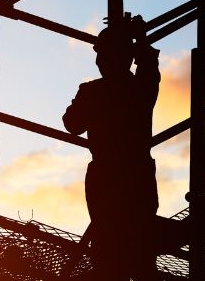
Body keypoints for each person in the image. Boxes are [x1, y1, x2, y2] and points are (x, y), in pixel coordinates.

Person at [63, 14, 160, 279]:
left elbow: (71, 123)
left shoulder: (94, 92)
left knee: (110, 254)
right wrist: (140, 39)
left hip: (108, 175)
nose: (98, 61)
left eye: (101, 55)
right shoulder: (140, 87)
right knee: (139, 254)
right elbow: (149, 67)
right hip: (137, 173)